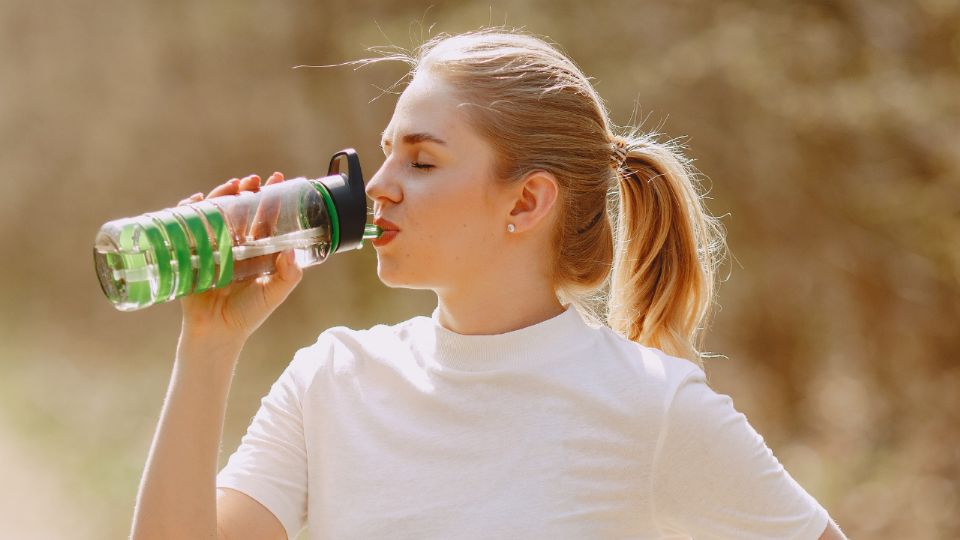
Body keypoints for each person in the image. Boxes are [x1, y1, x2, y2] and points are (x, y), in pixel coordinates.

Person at [129, 29, 847, 540]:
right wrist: (209, 345)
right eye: (385, 155)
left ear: (527, 202)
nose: (377, 187)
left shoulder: (650, 405)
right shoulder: (332, 378)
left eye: (423, 162)